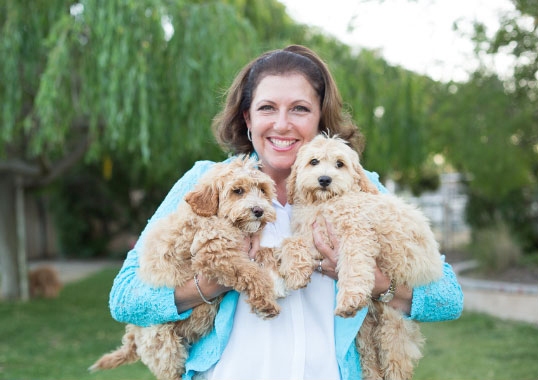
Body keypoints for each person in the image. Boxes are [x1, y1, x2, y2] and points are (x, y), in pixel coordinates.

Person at [109, 45, 464, 380]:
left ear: (320, 118)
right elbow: (125, 299)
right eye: (267, 108)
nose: (282, 124)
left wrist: (375, 283)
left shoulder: (357, 186)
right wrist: (212, 283)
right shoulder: (208, 183)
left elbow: (447, 299)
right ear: (248, 117)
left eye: (299, 109)